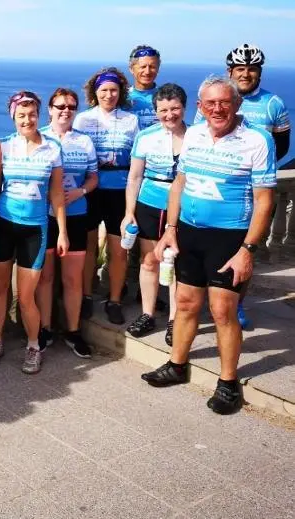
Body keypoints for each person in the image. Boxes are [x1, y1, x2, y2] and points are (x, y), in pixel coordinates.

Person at [142, 76, 277, 415]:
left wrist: (248, 249)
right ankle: (177, 364)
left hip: (229, 238)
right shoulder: (195, 135)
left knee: (222, 311)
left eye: (224, 102)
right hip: (189, 231)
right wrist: (170, 229)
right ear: (200, 107)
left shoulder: (257, 140)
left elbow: (265, 201)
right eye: (210, 103)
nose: (218, 109)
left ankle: (228, 382)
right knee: (186, 302)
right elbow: (180, 183)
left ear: (237, 104)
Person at [195, 44, 291, 330]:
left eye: (252, 69)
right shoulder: (215, 99)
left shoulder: (274, 104)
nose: (246, 74)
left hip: (253, 190)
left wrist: (253, 168)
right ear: (230, 72)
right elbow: (199, 137)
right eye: (241, 69)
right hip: (215, 188)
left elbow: (281, 147)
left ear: (259, 72)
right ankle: (205, 300)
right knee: (205, 245)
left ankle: (236, 303)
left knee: (246, 249)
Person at [0, 91, 69, 374]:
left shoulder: (53, 147)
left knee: (25, 296)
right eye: (21, 115)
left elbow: (57, 193)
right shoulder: (2, 147)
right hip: (3, 225)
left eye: (32, 114)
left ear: (39, 115)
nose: (27, 120)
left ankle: (34, 345)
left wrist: (62, 232)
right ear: (13, 116)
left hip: (35, 229)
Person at [35, 88, 98, 358]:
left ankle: (72, 331)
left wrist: (80, 192)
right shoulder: (38, 138)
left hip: (76, 215)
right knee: (46, 277)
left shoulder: (84, 141)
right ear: (50, 109)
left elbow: (93, 178)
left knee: (73, 279)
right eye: (60, 105)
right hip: (44, 216)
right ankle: (46, 328)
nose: (66, 110)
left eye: (71, 106)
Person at [74, 68, 140, 325]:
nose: (109, 95)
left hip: (120, 189)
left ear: (120, 92)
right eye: (104, 91)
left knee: (118, 249)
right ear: (95, 93)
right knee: (89, 247)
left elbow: (138, 157)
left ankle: (114, 300)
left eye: (113, 90)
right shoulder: (83, 119)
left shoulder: (131, 120)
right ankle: (87, 296)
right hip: (91, 189)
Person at [122, 84, 186, 344]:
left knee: (177, 264)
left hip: (182, 207)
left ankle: (175, 319)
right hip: (149, 204)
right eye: (163, 110)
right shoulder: (146, 136)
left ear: (184, 107)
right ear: (155, 111)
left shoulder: (197, 137)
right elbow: (134, 176)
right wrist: (129, 212)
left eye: (174, 109)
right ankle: (147, 313)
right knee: (149, 261)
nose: (169, 115)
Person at [128, 45, 162, 130]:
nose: (147, 72)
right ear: (131, 69)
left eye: (152, 67)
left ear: (158, 69)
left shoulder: (165, 96)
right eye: (143, 67)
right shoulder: (122, 97)